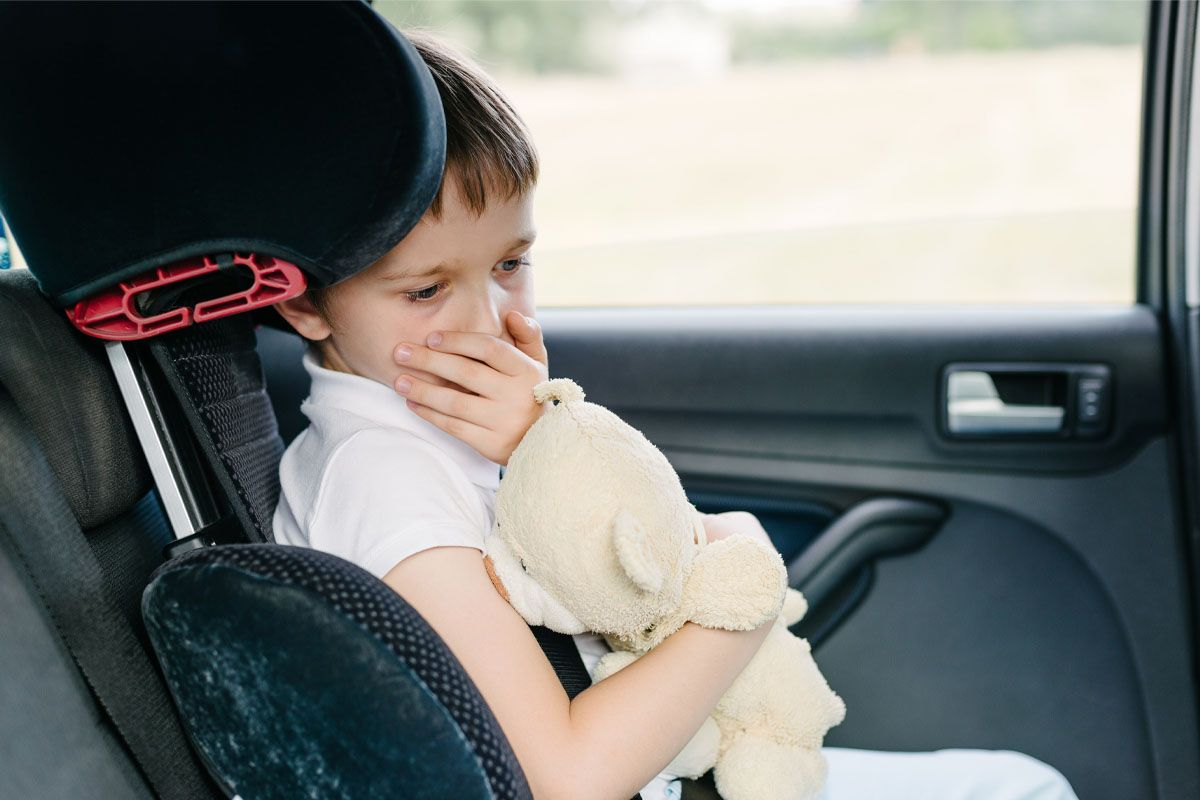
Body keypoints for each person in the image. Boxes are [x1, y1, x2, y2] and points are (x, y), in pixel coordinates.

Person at [272, 29, 1079, 800]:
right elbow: (565, 777)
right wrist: (745, 595)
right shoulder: (384, 481)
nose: (488, 321)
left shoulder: (451, 433)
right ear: (306, 301)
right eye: (425, 290)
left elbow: (620, 566)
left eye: (512, 263)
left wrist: (545, 445)